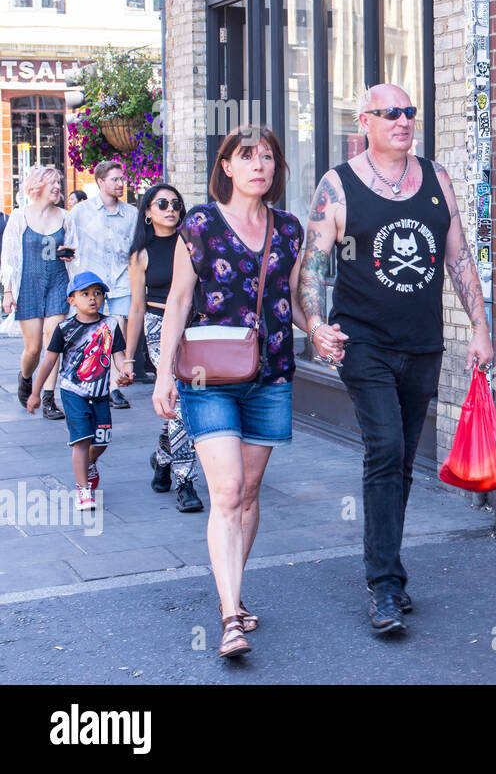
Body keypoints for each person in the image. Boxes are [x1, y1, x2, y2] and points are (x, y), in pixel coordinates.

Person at [299, 83, 491, 634]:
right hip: (364, 344)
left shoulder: (436, 180)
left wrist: (480, 327)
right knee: (383, 449)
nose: (404, 121)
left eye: (410, 112)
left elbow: (458, 258)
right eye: (391, 114)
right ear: (365, 121)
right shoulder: (338, 186)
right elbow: (312, 266)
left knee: (402, 460)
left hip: (423, 344)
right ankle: (384, 585)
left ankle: (389, 567)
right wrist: (315, 325)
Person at [152, 125, 315, 659]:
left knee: (247, 493)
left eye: (267, 157)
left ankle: (235, 594)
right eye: (247, 157)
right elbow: (177, 301)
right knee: (224, 493)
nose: (259, 166)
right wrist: (161, 374)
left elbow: (293, 298)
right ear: (226, 166)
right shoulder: (199, 224)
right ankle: (229, 616)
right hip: (208, 377)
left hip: (270, 375)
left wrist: (318, 329)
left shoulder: (289, 229)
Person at [124, 184, 202, 513]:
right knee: (181, 401)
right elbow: (137, 308)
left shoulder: (193, 242)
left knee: (183, 400)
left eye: (175, 203)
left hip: (195, 325)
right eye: (162, 203)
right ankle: (185, 481)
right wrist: (129, 358)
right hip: (158, 326)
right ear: (147, 211)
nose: (170, 209)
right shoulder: (140, 254)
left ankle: (161, 459)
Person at [25, 271, 132, 511]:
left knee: (102, 441)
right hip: (73, 392)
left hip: (100, 394)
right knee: (81, 440)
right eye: (85, 294)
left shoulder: (110, 324)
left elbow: (118, 356)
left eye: (98, 293)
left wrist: (125, 372)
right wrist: (36, 393)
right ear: (72, 299)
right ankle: (83, 490)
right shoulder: (64, 328)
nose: (93, 298)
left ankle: (90, 463)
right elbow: (49, 362)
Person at [1, 167, 79, 421]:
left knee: (52, 340)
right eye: (52, 183)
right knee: (33, 348)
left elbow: (76, 251)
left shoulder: (66, 217)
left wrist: (71, 253)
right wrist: (8, 291)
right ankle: (25, 378)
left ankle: (47, 397)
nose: (58, 186)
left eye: (59, 182)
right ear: (37, 186)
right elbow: (10, 257)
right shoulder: (19, 216)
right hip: (29, 286)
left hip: (58, 281)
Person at [69, 161, 137, 411]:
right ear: (100, 182)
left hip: (121, 281)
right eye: (115, 179)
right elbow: (69, 243)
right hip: (92, 282)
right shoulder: (81, 212)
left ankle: (113, 387)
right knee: (90, 333)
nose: (120, 184)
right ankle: (86, 381)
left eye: (122, 179)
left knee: (117, 329)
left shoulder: (131, 213)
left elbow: (136, 248)